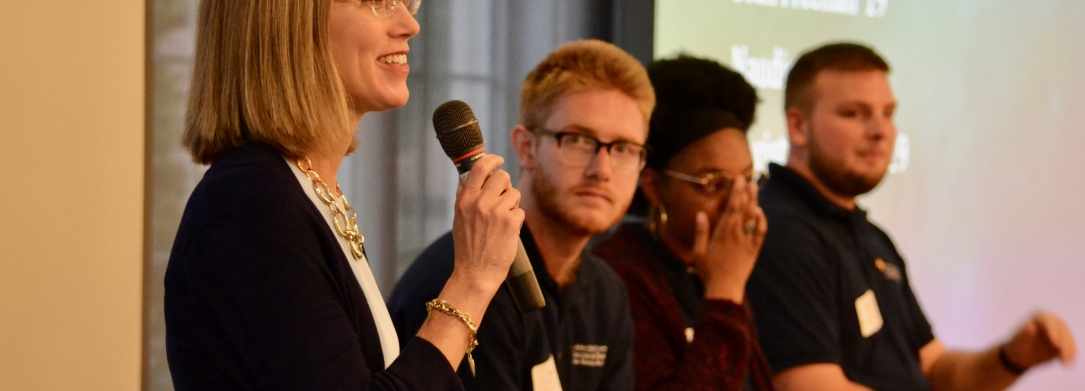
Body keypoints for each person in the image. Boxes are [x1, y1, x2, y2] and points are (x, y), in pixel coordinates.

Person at [164, 1, 526, 390]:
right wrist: (472, 280)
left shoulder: (305, 190)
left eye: (406, 1)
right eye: (375, 1)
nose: (409, 24)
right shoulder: (250, 205)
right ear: (288, 23)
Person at [747, 42, 1077, 391]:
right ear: (798, 127)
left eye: (887, 113)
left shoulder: (870, 237)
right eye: (854, 113)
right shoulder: (779, 229)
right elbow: (809, 386)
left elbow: (937, 370)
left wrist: (1012, 357)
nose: (879, 131)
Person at [388, 40, 654, 390]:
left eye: (622, 148)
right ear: (526, 148)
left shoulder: (606, 292)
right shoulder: (466, 280)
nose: (601, 169)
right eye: (577, 140)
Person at [591, 55, 774, 391]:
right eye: (713, 184)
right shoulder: (620, 275)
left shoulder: (710, 266)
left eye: (747, 180)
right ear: (654, 186)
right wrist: (725, 293)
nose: (736, 203)